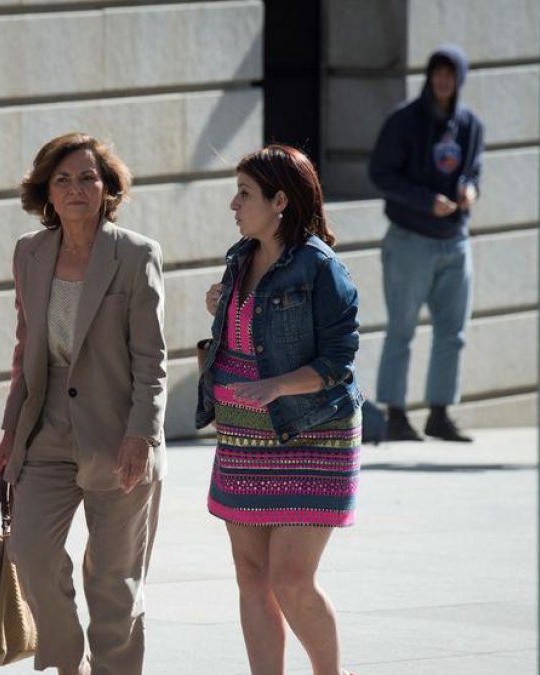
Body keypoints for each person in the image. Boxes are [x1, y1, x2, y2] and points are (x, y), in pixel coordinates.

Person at [0, 133, 167, 675]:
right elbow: (27, 350)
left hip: (119, 434)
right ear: (46, 189)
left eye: (88, 177)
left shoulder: (136, 255)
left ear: (107, 187)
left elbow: (151, 358)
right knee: (30, 552)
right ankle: (68, 664)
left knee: (114, 582)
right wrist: (10, 433)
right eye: (63, 179)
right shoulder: (31, 251)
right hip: (45, 430)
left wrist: (142, 434)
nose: (76, 189)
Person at [196, 145, 362, 675]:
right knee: (251, 576)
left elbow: (338, 360)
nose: (234, 204)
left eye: (244, 193)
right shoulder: (240, 257)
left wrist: (277, 386)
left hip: (312, 434)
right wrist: (222, 308)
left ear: (280, 201)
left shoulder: (321, 268)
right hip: (242, 437)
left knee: (291, 579)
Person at [368, 44, 484, 443]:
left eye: (450, 74)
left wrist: (470, 191)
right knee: (402, 329)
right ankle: (395, 413)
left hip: (455, 241)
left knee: (453, 331)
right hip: (410, 241)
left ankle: (440, 412)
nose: (443, 80)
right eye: (437, 72)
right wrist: (424, 201)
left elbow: (474, 171)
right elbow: (380, 173)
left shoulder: (469, 124)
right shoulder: (404, 121)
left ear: (460, 80)